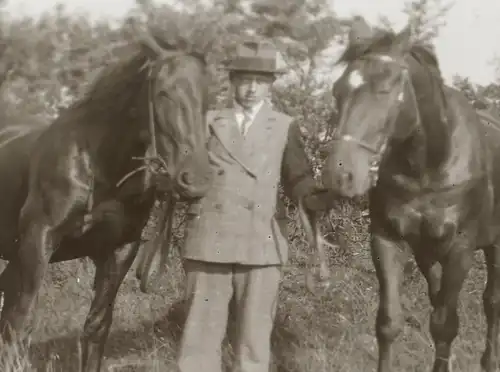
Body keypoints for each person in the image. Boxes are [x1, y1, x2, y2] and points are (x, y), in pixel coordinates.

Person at [177, 37, 333, 372]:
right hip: (209, 240)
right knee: (198, 340)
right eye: (244, 81)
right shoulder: (207, 122)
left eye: (259, 82)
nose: (251, 89)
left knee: (254, 341)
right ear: (232, 82)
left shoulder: (284, 126)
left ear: (270, 86)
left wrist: (315, 197)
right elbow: (187, 173)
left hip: (261, 243)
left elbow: (297, 177)